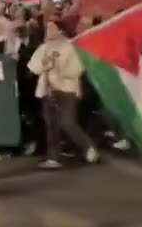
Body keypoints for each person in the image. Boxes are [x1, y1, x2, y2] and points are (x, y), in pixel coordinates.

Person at [27, 18, 99, 169]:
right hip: (48, 90)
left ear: (61, 30)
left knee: (67, 122)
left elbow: (77, 69)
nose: (49, 31)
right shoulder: (44, 48)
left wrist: (58, 68)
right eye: (47, 28)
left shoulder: (70, 47)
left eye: (52, 28)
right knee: (51, 124)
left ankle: (89, 146)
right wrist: (44, 63)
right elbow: (33, 67)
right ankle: (54, 157)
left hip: (66, 89)